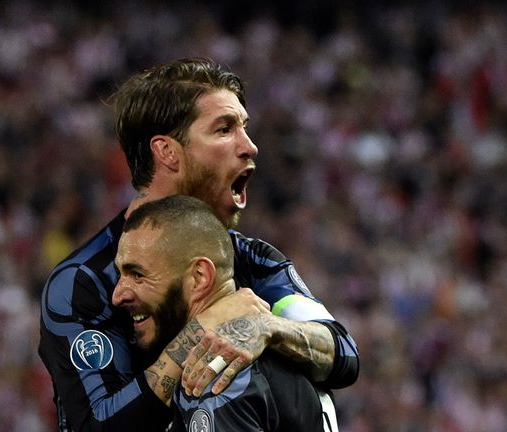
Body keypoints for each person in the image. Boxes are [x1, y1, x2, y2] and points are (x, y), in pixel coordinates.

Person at [38, 57, 359, 431]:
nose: (250, 146)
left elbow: (341, 351)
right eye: (225, 129)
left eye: (245, 128)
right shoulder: (84, 282)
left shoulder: (252, 260)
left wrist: (267, 328)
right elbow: (95, 425)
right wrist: (204, 328)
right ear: (168, 152)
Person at [114, 194, 336, 431]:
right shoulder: (289, 354)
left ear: (199, 277)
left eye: (138, 275)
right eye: (120, 274)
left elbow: (346, 352)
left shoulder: (217, 375)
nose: (117, 295)